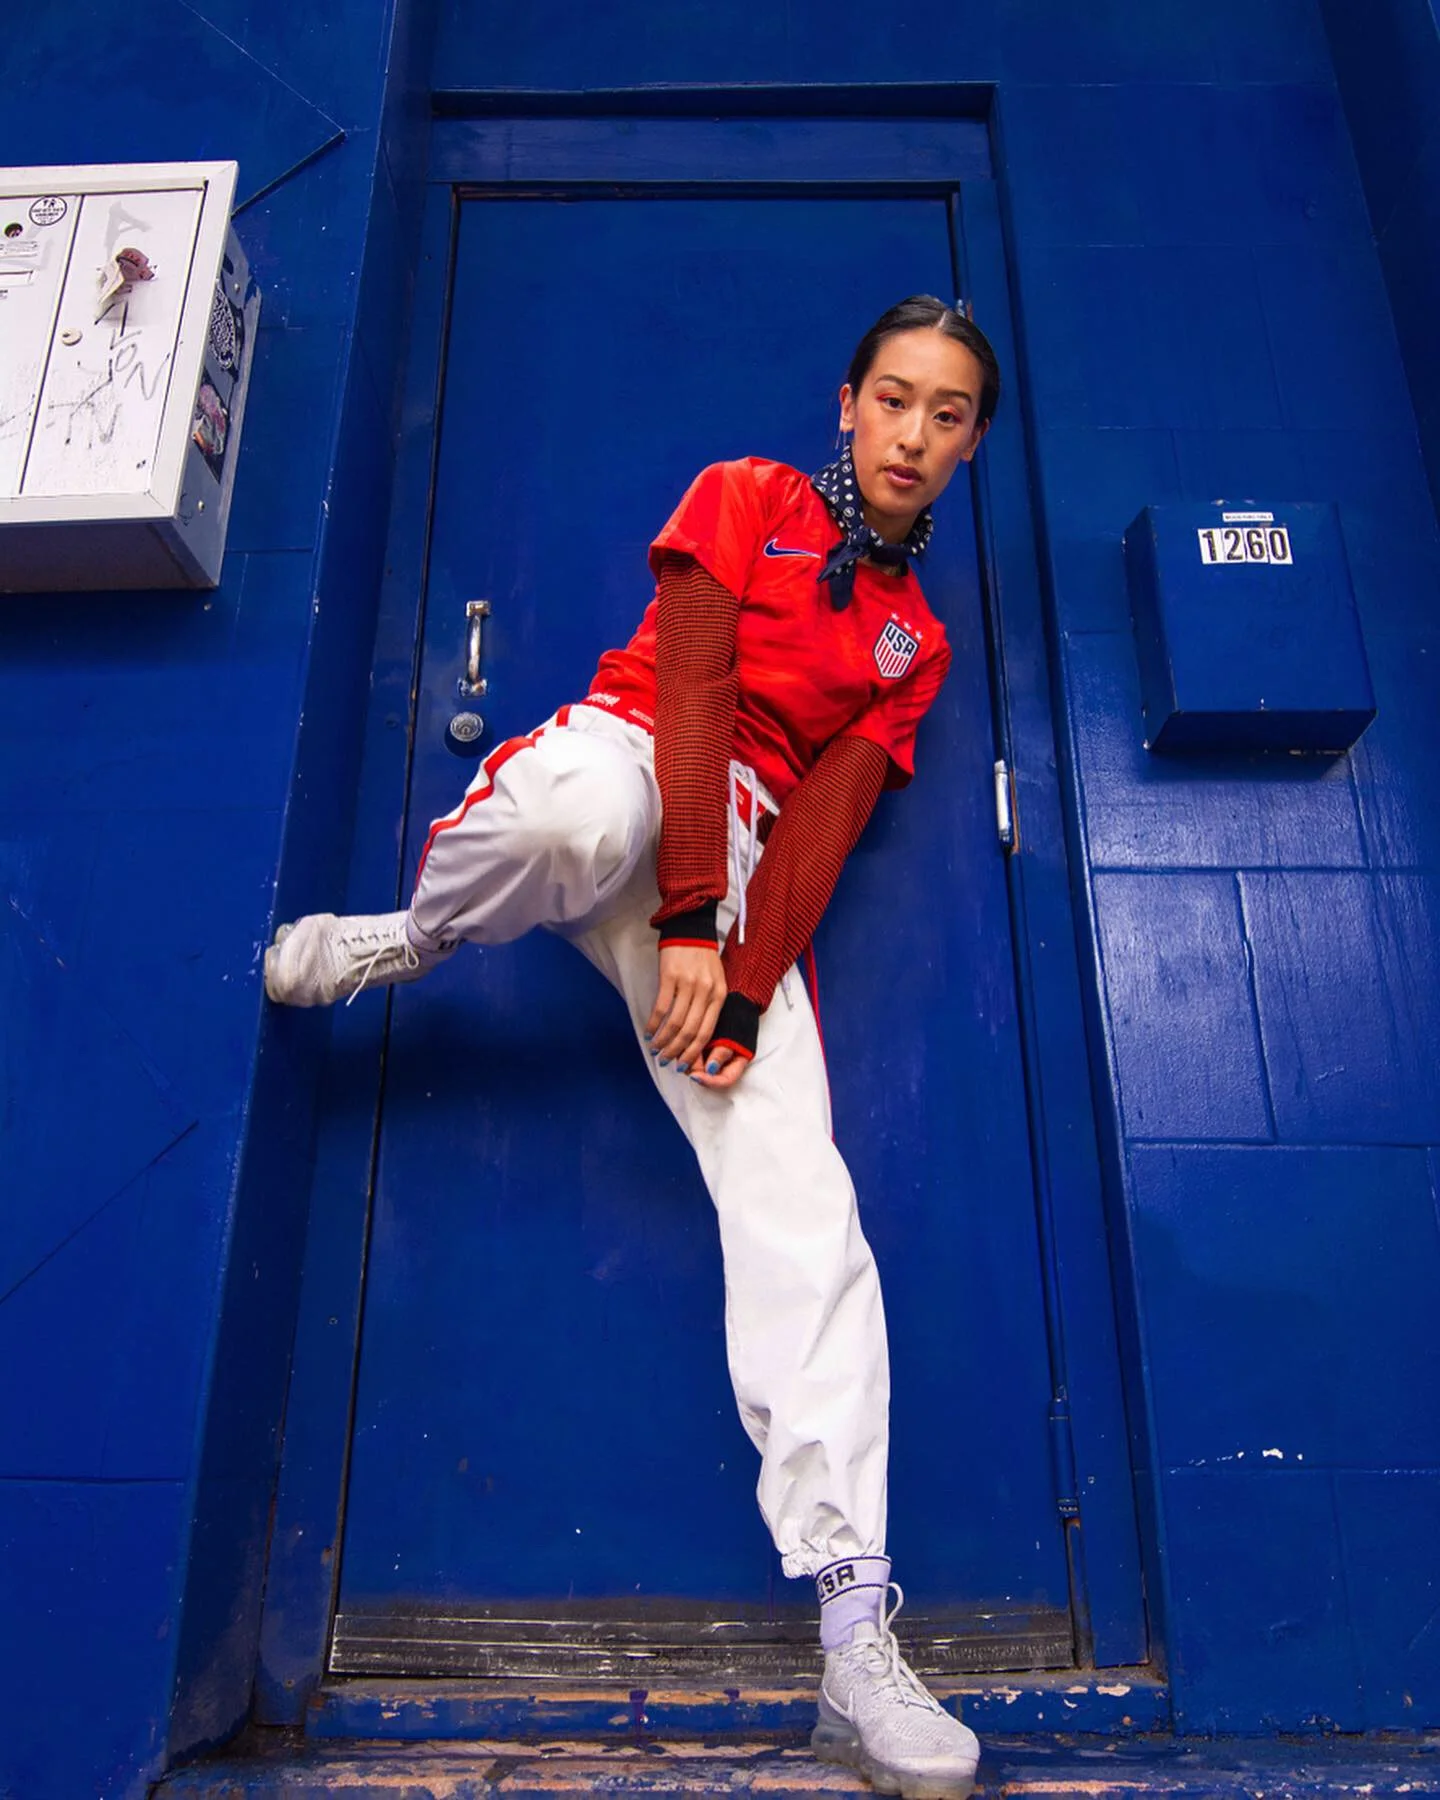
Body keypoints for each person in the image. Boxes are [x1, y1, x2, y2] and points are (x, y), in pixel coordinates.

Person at [266, 294, 1000, 1800]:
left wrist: (742, 983)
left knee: (802, 1199)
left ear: (971, 440)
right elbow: (696, 685)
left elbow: (826, 819)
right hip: (638, 760)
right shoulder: (750, 496)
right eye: (896, 398)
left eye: (949, 413)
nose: (916, 433)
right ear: (848, 401)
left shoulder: (913, 641)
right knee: (570, 814)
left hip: (741, 871)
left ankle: (854, 1636)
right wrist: (682, 920)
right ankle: (420, 934)